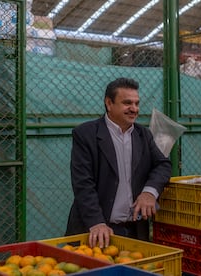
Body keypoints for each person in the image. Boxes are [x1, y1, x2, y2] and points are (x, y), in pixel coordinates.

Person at [65, 77, 172, 249]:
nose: (134, 109)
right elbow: (83, 183)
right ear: (109, 103)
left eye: (137, 103)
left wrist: (150, 193)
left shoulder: (143, 135)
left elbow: (163, 164)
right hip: (97, 231)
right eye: (127, 103)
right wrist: (96, 222)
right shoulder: (86, 134)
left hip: (135, 231)